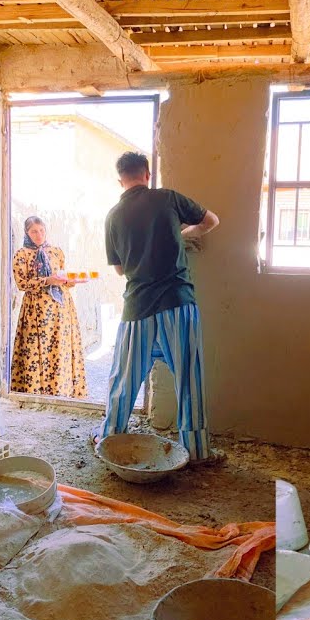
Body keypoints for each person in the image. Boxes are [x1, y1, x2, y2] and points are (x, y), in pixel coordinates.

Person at [95, 152, 221, 462]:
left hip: (137, 307)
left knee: (124, 378)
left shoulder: (113, 215)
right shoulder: (168, 199)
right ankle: (197, 451)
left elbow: (120, 270)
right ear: (147, 175)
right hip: (178, 301)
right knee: (189, 378)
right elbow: (211, 221)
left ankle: (109, 439)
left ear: (120, 180)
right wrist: (181, 234)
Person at [10, 216, 87, 398]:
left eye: (42, 230)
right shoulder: (22, 255)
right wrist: (46, 280)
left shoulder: (56, 252)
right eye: (34, 231)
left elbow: (61, 279)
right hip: (36, 311)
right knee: (37, 349)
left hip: (60, 310)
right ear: (27, 233)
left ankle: (60, 390)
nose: (39, 235)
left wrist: (71, 281)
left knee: (59, 348)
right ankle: (35, 392)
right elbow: (22, 283)